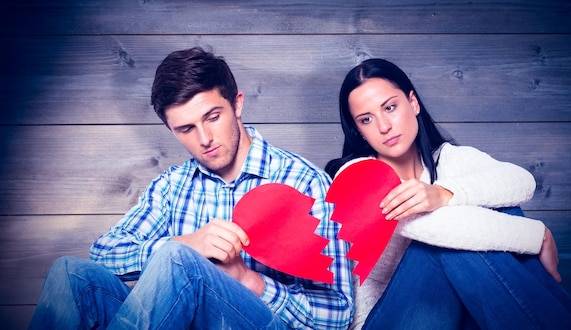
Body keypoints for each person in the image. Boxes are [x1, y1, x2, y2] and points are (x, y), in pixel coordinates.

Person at [29, 47, 353, 329]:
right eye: (186, 128)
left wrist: (248, 280)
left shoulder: (304, 182)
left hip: (260, 322)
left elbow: (339, 314)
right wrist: (189, 243)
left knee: (177, 259)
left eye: (212, 117)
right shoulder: (173, 186)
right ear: (172, 131)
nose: (204, 139)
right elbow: (104, 252)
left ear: (237, 104)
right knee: (71, 275)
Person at [325, 58, 571, 329]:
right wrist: (536, 235)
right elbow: (435, 229)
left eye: (390, 107)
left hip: (451, 314)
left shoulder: (451, 159)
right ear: (359, 131)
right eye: (367, 119)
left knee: (497, 209)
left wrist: (444, 193)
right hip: (388, 319)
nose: (384, 126)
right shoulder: (358, 175)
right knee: (451, 241)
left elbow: (521, 181)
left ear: (413, 103)